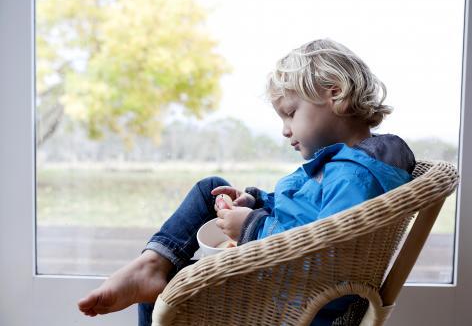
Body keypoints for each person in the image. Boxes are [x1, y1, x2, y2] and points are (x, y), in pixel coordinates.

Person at [78, 38, 416, 325]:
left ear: (335, 94)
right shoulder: (342, 166)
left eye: (290, 112)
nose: (285, 129)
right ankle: (151, 264)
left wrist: (253, 227)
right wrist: (255, 204)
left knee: (172, 289)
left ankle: (153, 269)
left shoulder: (355, 176)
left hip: (292, 296)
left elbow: (329, 258)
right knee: (208, 187)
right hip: (279, 273)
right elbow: (304, 216)